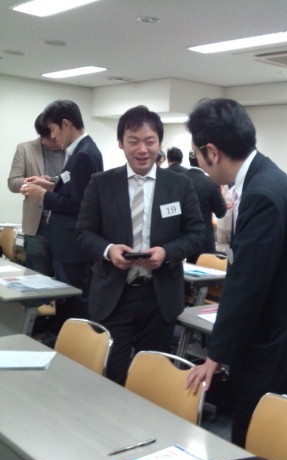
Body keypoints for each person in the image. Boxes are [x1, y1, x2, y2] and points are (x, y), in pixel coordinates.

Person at [184, 99, 287, 447]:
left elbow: (247, 284)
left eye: (196, 154)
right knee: (270, 437)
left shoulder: (261, 193)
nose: (198, 162)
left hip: (283, 340)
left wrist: (215, 355)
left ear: (212, 152)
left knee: (254, 439)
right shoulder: (267, 177)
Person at [75, 105, 204, 384]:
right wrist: (109, 251)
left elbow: (196, 234)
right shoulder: (101, 183)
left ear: (160, 144)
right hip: (114, 294)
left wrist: (166, 253)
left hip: (160, 296)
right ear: (121, 143)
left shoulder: (179, 185)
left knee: (152, 377)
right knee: (111, 374)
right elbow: (83, 233)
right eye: (133, 141)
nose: (142, 149)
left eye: (150, 141)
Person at [20, 100, 103, 321]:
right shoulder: (80, 151)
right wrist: (50, 185)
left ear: (65, 124)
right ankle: (62, 334)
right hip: (67, 243)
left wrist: (42, 195)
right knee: (67, 299)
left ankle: (72, 339)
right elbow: (73, 189)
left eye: (53, 129)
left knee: (75, 301)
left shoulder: (84, 154)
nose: (52, 136)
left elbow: (79, 204)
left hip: (73, 246)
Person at [7, 113, 65, 275]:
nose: (53, 140)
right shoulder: (25, 149)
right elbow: (12, 182)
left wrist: (52, 184)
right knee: (36, 277)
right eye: (48, 138)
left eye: (55, 136)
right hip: (38, 226)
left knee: (64, 279)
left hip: (65, 224)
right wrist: (33, 182)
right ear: (41, 136)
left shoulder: (72, 150)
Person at [183, 148, 227, 261]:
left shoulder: (178, 180)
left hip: (180, 239)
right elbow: (220, 212)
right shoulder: (211, 182)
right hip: (204, 239)